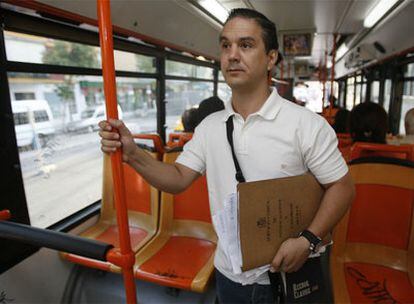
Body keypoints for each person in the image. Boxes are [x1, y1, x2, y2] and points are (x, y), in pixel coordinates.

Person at [99, 8, 354, 303]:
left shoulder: (305, 125)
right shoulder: (210, 127)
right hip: (229, 274)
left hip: (290, 271)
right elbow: (179, 178)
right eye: (225, 45)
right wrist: (133, 154)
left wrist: (308, 241)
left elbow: (342, 187)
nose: (233, 55)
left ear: (271, 58)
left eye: (245, 45)